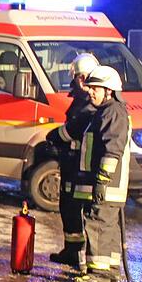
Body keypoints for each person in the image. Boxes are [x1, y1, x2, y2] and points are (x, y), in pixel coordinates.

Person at [71, 66, 131, 282]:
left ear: (109, 91)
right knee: (108, 227)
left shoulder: (112, 112)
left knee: (97, 225)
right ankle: (110, 270)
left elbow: (112, 150)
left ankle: (99, 274)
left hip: (106, 185)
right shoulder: (105, 111)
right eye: (90, 88)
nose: (90, 92)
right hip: (105, 185)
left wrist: (102, 181)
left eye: (95, 89)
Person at [46, 53, 99, 268]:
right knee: (68, 207)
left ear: (82, 77)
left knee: (77, 210)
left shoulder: (90, 104)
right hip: (72, 164)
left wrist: (54, 136)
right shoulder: (82, 100)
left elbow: (72, 130)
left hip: (81, 167)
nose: (74, 82)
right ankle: (71, 251)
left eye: (76, 77)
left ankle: (79, 256)